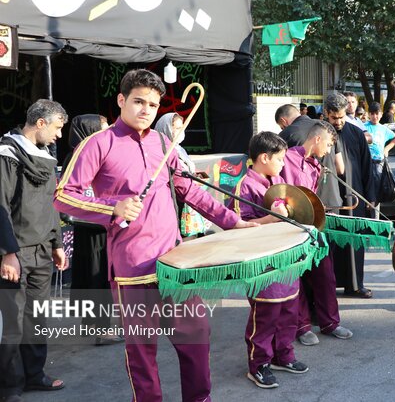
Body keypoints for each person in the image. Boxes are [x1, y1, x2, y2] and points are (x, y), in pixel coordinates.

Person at [54, 69, 255, 402]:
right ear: (121, 100)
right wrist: (112, 208)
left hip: (175, 265)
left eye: (152, 104)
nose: (146, 109)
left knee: (196, 336)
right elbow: (65, 195)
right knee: (142, 353)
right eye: (138, 101)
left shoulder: (164, 143)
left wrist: (234, 222)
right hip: (132, 271)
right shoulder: (98, 144)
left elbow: (191, 189)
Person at [0, 99, 69, 402]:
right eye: (56, 128)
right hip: (16, 252)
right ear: (41, 123)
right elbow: (0, 206)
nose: (59, 136)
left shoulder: (45, 157)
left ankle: (34, 375)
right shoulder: (7, 154)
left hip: (43, 251)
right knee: (12, 321)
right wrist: (7, 252)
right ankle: (9, 385)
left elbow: (50, 205)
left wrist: (56, 243)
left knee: (36, 318)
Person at [231, 132, 308, 389]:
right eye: (280, 158)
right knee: (266, 314)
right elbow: (239, 227)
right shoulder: (244, 185)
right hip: (263, 262)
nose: (284, 164)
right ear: (264, 157)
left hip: (287, 257)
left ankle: (283, 355)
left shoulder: (277, 180)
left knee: (289, 310)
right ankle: (259, 364)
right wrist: (271, 218)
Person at [279, 121, 353, 346]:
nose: (329, 151)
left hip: (313, 226)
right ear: (317, 139)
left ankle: (330, 322)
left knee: (326, 274)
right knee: (297, 278)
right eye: (329, 145)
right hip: (289, 227)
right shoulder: (286, 158)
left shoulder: (317, 166)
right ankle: (301, 327)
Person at [61, 114, 122, 346]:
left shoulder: (78, 154)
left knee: (90, 275)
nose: (106, 133)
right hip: (94, 226)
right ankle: (102, 329)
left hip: (90, 227)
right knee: (97, 277)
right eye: (103, 129)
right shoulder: (81, 157)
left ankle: (92, 325)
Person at [324, 93, 375, 298]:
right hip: (329, 198)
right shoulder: (320, 134)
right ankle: (328, 288)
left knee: (355, 242)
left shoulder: (355, 133)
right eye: (334, 118)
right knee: (331, 243)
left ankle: (355, 284)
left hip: (355, 196)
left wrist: (370, 197)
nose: (338, 122)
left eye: (342, 117)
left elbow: (367, 167)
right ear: (326, 113)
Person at [154, 112, 211, 237]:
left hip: (189, 198)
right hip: (175, 203)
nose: (182, 131)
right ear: (166, 129)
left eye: (182, 127)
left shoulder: (179, 149)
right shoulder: (160, 152)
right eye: (177, 128)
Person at [364, 101, 395, 210]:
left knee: (376, 193)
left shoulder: (383, 129)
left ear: (381, 114)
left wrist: (386, 149)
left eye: (377, 113)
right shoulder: (363, 126)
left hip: (379, 163)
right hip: (366, 163)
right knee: (366, 189)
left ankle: (375, 218)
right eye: (372, 114)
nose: (375, 116)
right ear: (369, 114)